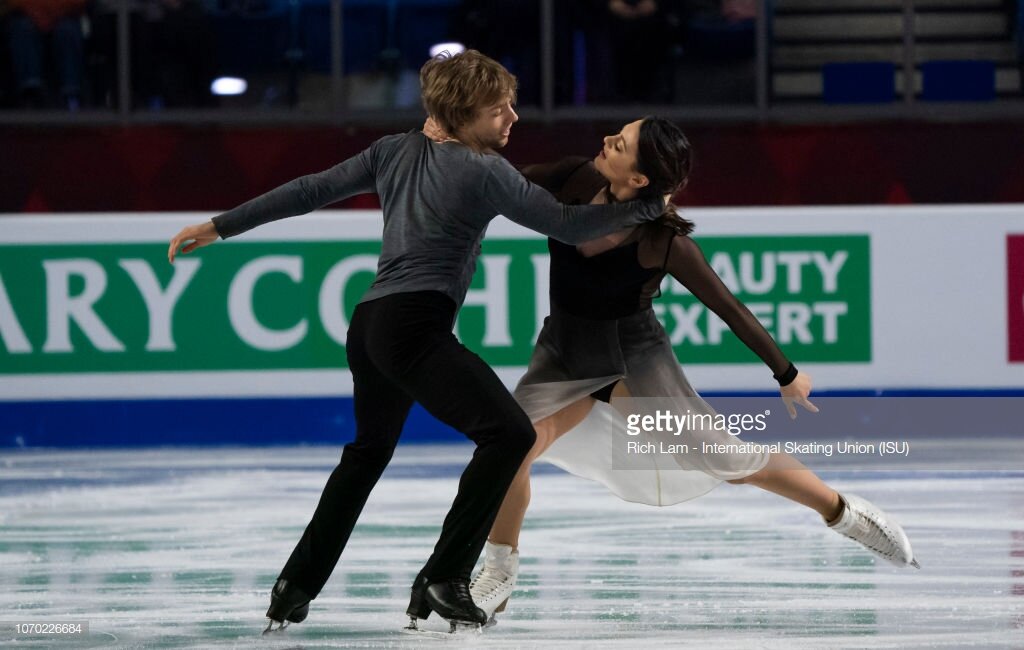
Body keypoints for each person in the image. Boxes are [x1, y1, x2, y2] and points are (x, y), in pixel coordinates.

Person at [166, 50, 667, 634]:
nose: (513, 117)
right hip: (414, 325)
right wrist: (651, 204)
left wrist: (221, 225)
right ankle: (445, 576)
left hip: (371, 325)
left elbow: (309, 190)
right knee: (508, 435)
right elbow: (569, 225)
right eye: (498, 108)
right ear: (463, 113)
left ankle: (294, 586)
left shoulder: (391, 150)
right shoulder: (483, 170)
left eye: (512, 103)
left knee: (367, 453)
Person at [424, 116, 920, 623]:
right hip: (568, 352)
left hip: (637, 361)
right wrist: (452, 155)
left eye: (619, 144)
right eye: (616, 134)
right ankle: (500, 572)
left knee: (727, 460)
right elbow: (504, 179)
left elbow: (729, 308)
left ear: (639, 179)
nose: (606, 141)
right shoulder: (575, 178)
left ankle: (843, 512)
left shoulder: (663, 241)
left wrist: (786, 373)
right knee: (512, 449)